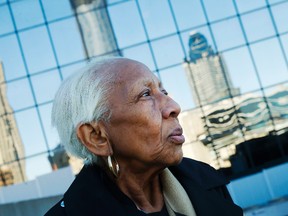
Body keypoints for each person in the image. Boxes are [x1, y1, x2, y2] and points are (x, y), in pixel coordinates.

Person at [45, 57, 243, 216]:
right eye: (146, 94)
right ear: (97, 137)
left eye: (163, 91)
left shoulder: (205, 181)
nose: (174, 107)